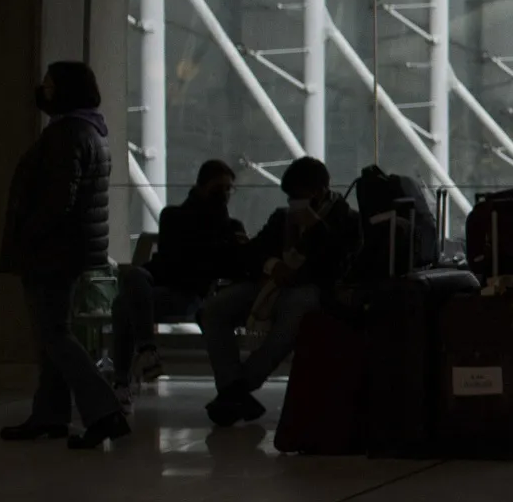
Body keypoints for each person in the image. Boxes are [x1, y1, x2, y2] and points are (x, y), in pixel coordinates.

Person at [0, 60, 129, 449]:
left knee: (54, 334)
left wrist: (27, 237)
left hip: (50, 252)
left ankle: (103, 412)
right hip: (70, 251)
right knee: (53, 334)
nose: (43, 90)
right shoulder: (90, 131)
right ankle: (50, 414)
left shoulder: (66, 135)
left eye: (50, 86)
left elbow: (58, 201)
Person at [200, 155, 359, 426]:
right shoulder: (282, 220)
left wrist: (315, 228)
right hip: (269, 285)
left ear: (319, 192)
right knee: (215, 309)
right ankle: (234, 392)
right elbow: (251, 253)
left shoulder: (346, 221)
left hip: (311, 291)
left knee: (295, 307)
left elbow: (336, 267)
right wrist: (272, 265)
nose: (293, 202)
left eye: (299, 196)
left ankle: (237, 389)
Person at [112, 159, 245, 404]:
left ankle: (132, 369)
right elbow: (180, 259)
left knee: (123, 304)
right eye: (220, 189)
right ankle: (146, 353)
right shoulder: (174, 216)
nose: (225, 195)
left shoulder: (229, 226)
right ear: (202, 187)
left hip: (188, 293)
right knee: (132, 276)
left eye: (229, 189)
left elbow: (225, 265)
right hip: (164, 285)